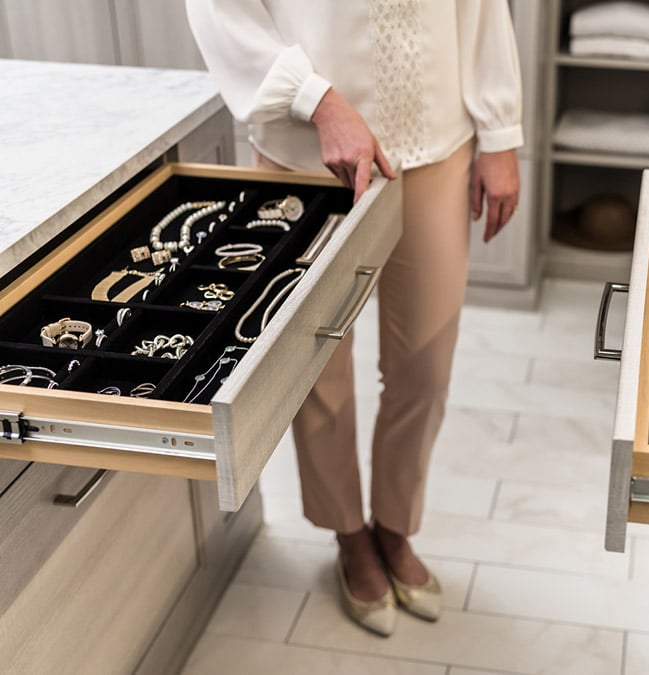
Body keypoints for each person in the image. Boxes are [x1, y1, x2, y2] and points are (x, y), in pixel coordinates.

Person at [186, 0, 523, 636]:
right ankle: (348, 535)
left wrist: (501, 134)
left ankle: (394, 528)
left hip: (438, 144)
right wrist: (317, 100)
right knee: (316, 373)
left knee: (426, 366)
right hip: (305, 155)